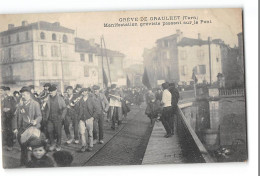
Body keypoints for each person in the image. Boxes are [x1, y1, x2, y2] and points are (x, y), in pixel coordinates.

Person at [13, 86, 42, 166]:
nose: (22, 96)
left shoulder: (35, 104)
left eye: (24, 95)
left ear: (29, 94)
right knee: (23, 148)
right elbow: (15, 117)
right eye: (22, 95)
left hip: (32, 129)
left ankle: (35, 164)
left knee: (33, 148)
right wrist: (15, 128)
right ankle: (23, 163)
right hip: (21, 129)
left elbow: (39, 116)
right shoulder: (19, 105)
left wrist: (35, 121)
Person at [45, 84, 67, 151]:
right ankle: (52, 144)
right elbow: (44, 108)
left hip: (58, 118)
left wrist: (62, 117)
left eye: (52, 91)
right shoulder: (47, 98)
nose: (50, 93)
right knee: (49, 131)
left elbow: (65, 108)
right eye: (50, 92)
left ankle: (58, 145)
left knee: (58, 132)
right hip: (50, 118)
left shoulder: (60, 99)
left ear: (55, 91)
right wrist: (45, 116)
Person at [77, 88, 99, 152]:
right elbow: (76, 109)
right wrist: (76, 102)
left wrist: (93, 117)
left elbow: (96, 109)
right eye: (82, 92)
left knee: (90, 133)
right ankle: (83, 146)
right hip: (81, 119)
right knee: (82, 133)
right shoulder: (79, 100)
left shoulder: (91, 100)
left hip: (89, 118)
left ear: (87, 92)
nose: (83, 93)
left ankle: (90, 145)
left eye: (84, 92)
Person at [2, 86, 16, 151]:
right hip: (4, 117)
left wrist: (9, 109)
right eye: (4, 91)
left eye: (6, 91)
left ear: (8, 91)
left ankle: (10, 145)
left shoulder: (12, 98)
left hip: (10, 117)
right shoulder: (3, 98)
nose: (5, 92)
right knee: (5, 131)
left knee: (9, 131)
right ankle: (6, 143)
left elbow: (14, 107)